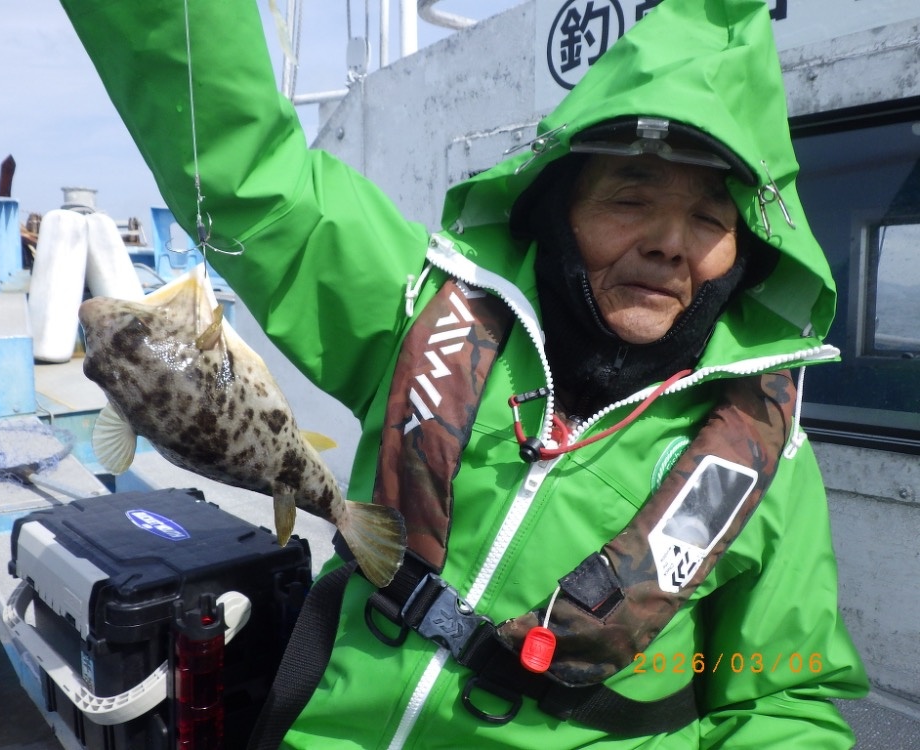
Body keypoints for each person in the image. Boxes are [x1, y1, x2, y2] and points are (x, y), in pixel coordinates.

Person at [60, 0, 867, 747]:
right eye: (630, 198)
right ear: (558, 206)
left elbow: (782, 698)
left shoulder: (767, 456)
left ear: (745, 251)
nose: (668, 242)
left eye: (709, 217)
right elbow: (252, 179)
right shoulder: (421, 307)